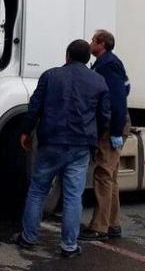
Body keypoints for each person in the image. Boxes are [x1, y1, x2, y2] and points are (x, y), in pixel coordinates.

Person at [10, 39, 110, 258]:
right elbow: (104, 117)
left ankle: (28, 237)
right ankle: (69, 246)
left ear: (67, 56)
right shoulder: (99, 81)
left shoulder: (50, 76)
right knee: (73, 195)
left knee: (37, 190)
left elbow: (35, 106)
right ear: (88, 59)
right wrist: (95, 136)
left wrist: (26, 131)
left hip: (51, 142)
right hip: (81, 145)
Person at [80, 29, 131, 241]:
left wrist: (116, 131)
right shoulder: (107, 63)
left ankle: (99, 227)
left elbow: (119, 99)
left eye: (93, 40)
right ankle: (113, 224)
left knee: (103, 174)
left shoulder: (108, 64)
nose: (90, 43)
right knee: (110, 176)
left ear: (102, 44)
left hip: (112, 126)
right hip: (113, 124)